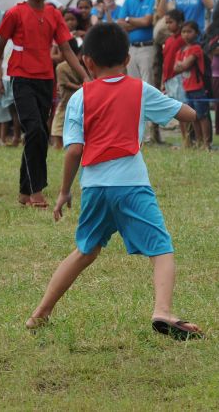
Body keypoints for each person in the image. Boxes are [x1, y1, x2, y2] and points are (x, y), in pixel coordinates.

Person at [26, 23, 202, 341]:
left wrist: (65, 191)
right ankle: (162, 310)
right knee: (161, 249)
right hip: (132, 184)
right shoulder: (139, 89)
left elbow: (74, 150)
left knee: (85, 251)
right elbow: (187, 114)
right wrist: (176, 106)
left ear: (87, 61)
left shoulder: (80, 98)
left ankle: (40, 314)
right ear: (126, 58)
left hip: (94, 187)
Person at [0, 0, 89, 209]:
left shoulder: (54, 14)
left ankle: (24, 192)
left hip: (45, 80)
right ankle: (37, 191)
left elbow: (67, 50)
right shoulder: (14, 13)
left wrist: (85, 76)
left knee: (35, 135)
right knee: (36, 131)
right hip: (21, 78)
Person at [116, 0, 157, 83]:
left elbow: (147, 21)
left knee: (149, 86)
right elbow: (120, 23)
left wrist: (129, 19)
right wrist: (141, 22)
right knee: (134, 86)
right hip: (131, 49)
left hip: (148, 48)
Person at [173, 21, 209, 149]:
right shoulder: (180, 50)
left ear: (196, 33)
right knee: (193, 117)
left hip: (197, 88)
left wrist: (181, 65)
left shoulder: (196, 49)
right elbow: (176, 68)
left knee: (202, 116)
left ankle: (206, 143)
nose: (186, 35)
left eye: (189, 31)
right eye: (183, 32)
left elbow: (184, 65)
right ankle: (198, 142)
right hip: (186, 89)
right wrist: (181, 65)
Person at [51, 39, 83, 149]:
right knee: (60, 119)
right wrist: (80, 87)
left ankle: (63, 143)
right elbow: (64, 83)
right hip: (66, 97)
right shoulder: (61, 67)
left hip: (74, 97)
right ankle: (57, 143)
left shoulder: (80, 66)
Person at [160, 9, 187, 105]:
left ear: (179, 23)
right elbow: (165, 61)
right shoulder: (168, 40)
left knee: (181, 107)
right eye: (166, 22)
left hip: (178, 78)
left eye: (170, 22)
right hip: (168, 79)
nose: (168, 25)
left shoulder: (182, 40)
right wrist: (163, 81)